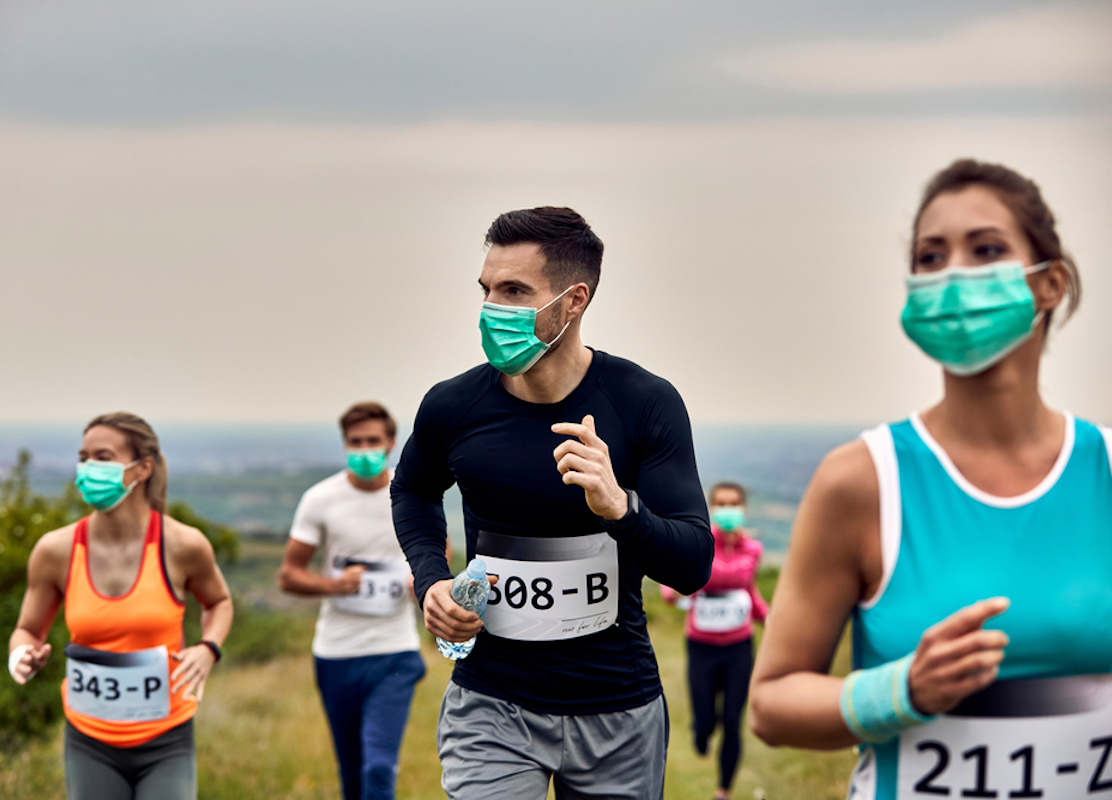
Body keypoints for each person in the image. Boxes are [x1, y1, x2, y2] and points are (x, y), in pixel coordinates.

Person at [749, 159, 1111, 800]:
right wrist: (901, 693)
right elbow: (771, 706)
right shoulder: (861, 482)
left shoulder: (1104, 472)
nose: (952, 277)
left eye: (987, 249)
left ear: (1050, 283)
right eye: (930, 257)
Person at [391, 206, 713, 799]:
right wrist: (432, 580)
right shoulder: (453, 405)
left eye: (514, 291)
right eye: (486, 289)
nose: (492, 308)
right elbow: (412, 489)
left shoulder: (644, 403)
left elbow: (693, 566)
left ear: (573, 301)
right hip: (490, 702)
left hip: (616, 708)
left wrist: (620, 507)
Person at [8, 412, 233, 800]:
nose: (88, 469)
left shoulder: (183, 545)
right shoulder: (55, 551)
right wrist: (21, 655)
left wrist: (208, 648)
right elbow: (27, 630)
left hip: (166, 738)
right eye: (83, 458)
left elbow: (220, 602)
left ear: (142, 468)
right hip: (89, 739)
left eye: (103, 457)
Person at [279, 402, 425, 800]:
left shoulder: (411, 495)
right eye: (355, 442)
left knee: (378, 766)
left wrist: (422, 584)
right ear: (345, 444)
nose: (364, 450)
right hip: (336, 653)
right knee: (352, 773)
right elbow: (289, 574)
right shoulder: (320, 499)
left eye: (373, 441)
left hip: (394, 651)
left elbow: (438, 563)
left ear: (391, 443)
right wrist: (334, 585)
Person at [661, 480, 767, 800]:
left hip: (739, 647)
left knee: (733, 721)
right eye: (720, 503)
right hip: (701, 646)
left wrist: (772, 621)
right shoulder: (702, 545)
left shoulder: (753, 550)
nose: (727, 509)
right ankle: (702, 732)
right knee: (706, 718)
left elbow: (748, 592)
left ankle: (724, 791)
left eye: (733, 503)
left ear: (743, 508)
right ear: (712, 508)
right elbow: (670, 593)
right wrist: (681, 587)